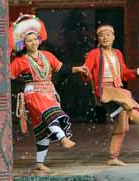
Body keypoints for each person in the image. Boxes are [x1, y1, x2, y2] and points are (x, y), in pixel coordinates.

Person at [9, 14, 88, 172]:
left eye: (35, 39)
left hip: (49, 93)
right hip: (33, 94)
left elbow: (62, 68)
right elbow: (7, 78)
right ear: (23, 44)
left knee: (42, 129)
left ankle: (39, 163)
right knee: (51, 112)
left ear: (39, 40)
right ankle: (63, 138)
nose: (33, 42)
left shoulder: (48, 56)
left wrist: (77, 68)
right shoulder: (19, 61)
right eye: (29, 40)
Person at [82, 24, 139, 166]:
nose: (105, 38)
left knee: (123, 125)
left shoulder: (117, 53)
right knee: (127, 101)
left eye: (108, 35)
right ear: (98, 39)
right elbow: (86, 73)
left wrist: (136, 72)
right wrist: (84, 73)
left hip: (118, 90)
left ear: (113, 37)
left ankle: (113, 157)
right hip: (104, 90)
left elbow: (124, 74)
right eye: (101, 35)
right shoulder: (94, 54)